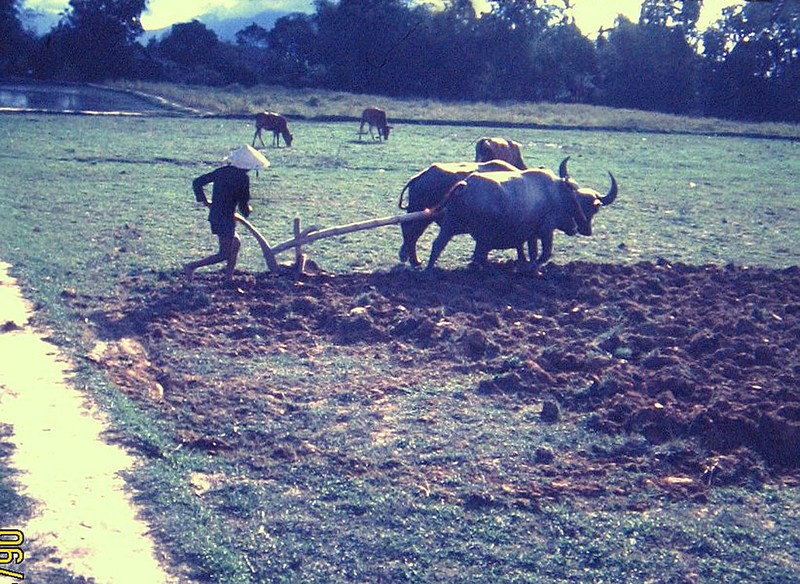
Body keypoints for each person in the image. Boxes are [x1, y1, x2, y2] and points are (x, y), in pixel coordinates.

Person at [183, 145, 269, 284]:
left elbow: (197, 182)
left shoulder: (221, 172)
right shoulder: (242, 179)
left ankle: (228, 279)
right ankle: (191, 266)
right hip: (225, 218)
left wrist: (204, 201)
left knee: (235, 244)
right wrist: (249, 210)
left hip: (217, 215)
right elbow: (243, 206)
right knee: (224, 254)